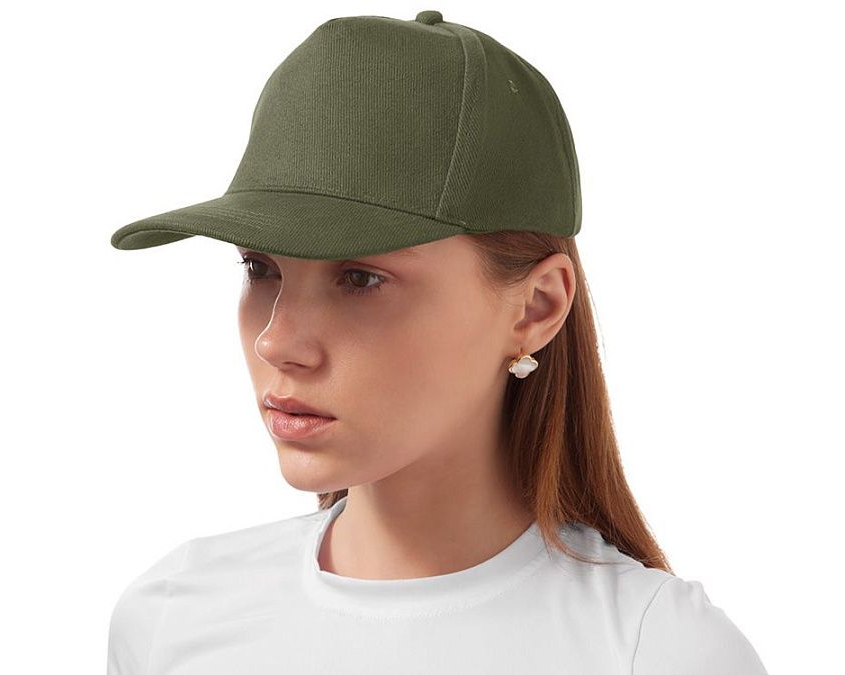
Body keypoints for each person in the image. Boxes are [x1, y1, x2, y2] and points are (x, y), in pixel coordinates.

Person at [105, 9, 768, 674]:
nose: (277, 341)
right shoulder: (172, 619)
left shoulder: (656, 651)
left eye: (360, 278)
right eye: (260, 268)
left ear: (537, 307)